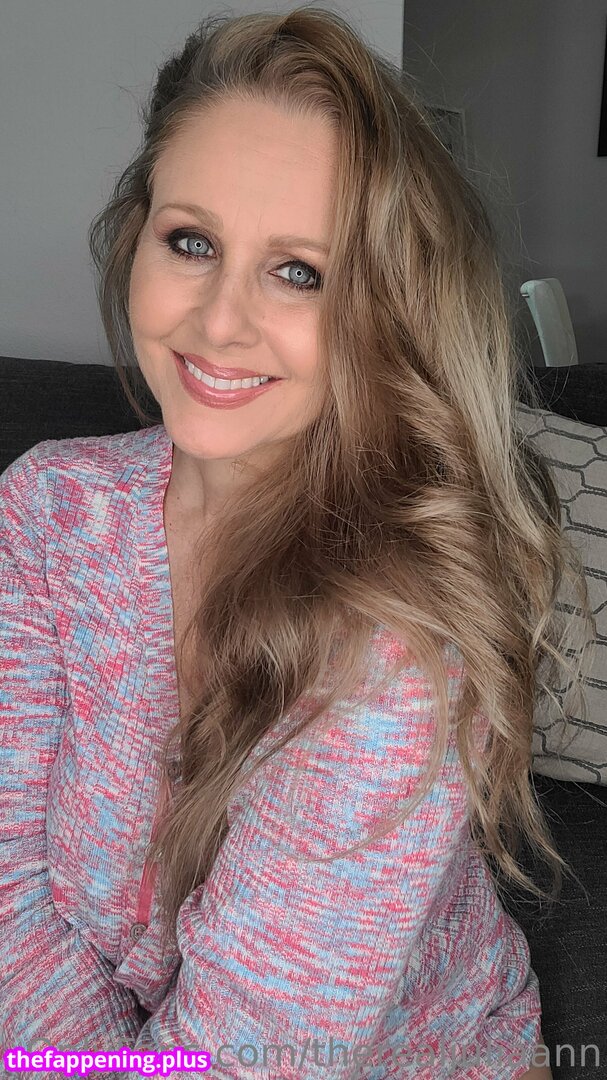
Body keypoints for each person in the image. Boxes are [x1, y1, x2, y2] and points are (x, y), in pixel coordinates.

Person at [1, 7, 594, 1078]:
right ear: (137, 235)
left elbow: (252, 1056)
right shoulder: (47, 512)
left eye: (299, 271)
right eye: (192, 242)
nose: (219, 321)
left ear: (385, 308)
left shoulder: (399, 637)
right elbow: (7, 899)